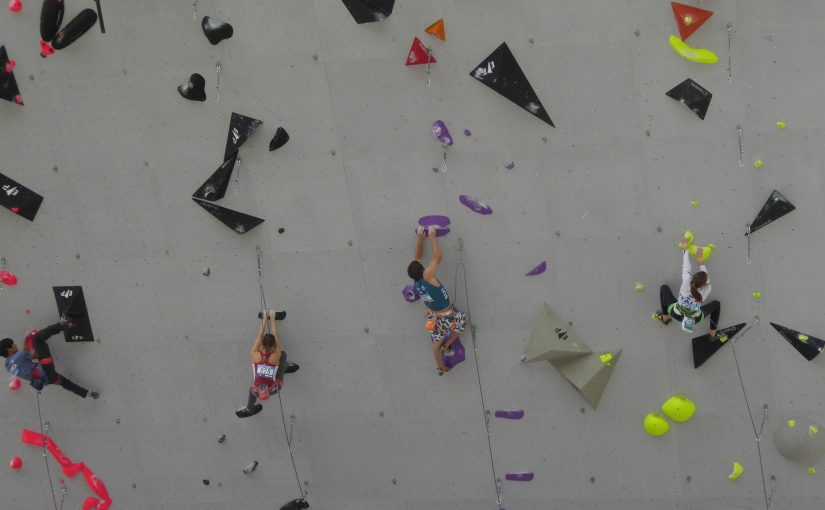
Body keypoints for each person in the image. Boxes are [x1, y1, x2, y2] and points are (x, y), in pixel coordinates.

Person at [407, 226, 467, 375]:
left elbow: (417, 257)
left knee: (442, 335)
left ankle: (444, 349)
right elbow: (438, 257)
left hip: (432, 313)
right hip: (445, 316)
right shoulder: (427, 276)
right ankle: (441, 362)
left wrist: (420, 239)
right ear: (423, 270)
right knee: (460, 324)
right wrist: (432, 237)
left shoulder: (417, 281)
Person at [1, 319, 99, 399]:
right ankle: (61, 324)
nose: (16, 345)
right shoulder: (19, 356)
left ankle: (87, 393)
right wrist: (27, 337)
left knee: (65, 383)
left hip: (46, 380)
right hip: (45, 367)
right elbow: (31, 352)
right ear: (9, 349)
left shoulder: (8, 366)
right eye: (13, 345)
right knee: (37, 339)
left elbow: (26, 357)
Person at [236, 310, 299, 418]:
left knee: (252, 391)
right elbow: (275, 334)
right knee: (283, 355)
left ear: (261, 344)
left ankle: (249, 409)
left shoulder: (254, 354)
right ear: (274, 345)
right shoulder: (276, 354)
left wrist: (264, 318)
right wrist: (272, 317)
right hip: (274, 388)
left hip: (258, 391)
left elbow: (260, 335)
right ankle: (285, 368)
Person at [654, 238, 722, 337]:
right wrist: (700, 260)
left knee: (664, 288)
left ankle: (665, 317)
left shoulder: (687, 282)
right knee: (717, 304)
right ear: (704, 284)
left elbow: (686, 266)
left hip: (676, 314)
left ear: (692, 278)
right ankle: (712, 333)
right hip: (695, 319)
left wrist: (685, 246)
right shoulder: (707, 289)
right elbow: (706, 278)